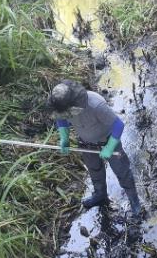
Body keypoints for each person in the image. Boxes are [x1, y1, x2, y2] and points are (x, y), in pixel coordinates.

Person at [46, 80, 142, 216]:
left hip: (108, 140)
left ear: (73, 105)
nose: (64, 115)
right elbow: (61, 119)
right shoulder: (62, 108)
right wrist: (64, 139)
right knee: (94, 170)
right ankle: (100, 195)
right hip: (86, 142)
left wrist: (109, 147)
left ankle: (134, 201)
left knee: (122, 171)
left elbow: (118, 125)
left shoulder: (96, 105)